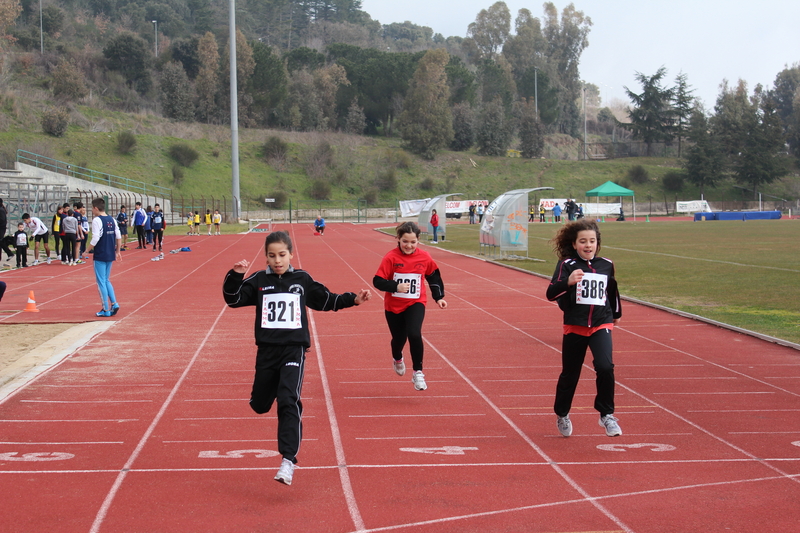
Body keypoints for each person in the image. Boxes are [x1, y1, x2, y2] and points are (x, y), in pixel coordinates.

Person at [222, 230, 372, 486]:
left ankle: (288, 460)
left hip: (294, 350)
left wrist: (353, 300)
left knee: (289, 398)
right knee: (259, 405)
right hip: (267, 352)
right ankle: (265, 403)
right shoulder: (258, 280)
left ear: (291, 254)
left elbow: (325, 300)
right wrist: (235, 276)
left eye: (282, 255)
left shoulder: (302, 279)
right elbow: (233, 300)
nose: (277, 260)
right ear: (266, 258)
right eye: (272, 256)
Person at [545, 218, 622, 438]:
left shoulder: (606, 264)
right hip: (575, 326)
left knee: (605, 367)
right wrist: (568, 282)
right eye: (583, 241)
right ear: (574, 244)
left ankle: (606, 415)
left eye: (592, 241)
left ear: (597, 243)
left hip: (601, 323)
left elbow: (612, 291)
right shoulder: (566, 265)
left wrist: (616, 314)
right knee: (571, 374)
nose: (588, 245)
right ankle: (562, 413)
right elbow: (550, 294)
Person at [373, 221, 447, 391]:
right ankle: (397, 358)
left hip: (416, 302)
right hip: (394, 305)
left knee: (414, 333)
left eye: (413, 242)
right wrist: (395, 286)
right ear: (398, 239)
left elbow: (433, 276)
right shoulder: (391, 257)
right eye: (405, 241)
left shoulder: (424, 257)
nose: (409, 245)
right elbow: (377, 281)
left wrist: (439, 297)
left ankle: (418, 372)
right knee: (399, 339)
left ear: (418, 240)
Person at [85, 198, 121, 317]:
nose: (91, 210)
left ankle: (106, 309)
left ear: (96, 208)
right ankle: (114, 303)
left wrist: (87, 250)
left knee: (101, 281)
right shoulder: (112, 219)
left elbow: (95, 237)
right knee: (106, 280)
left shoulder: (97, 220)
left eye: (91, 208)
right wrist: (118, 251)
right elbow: (118, 236)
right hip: (110, 253)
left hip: (100, 253)